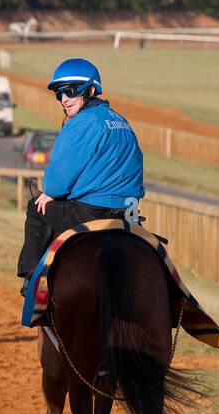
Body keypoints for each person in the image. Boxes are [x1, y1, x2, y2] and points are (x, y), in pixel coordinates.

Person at [15, 58, 145, 293]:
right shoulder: (122, 122)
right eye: (59, 93)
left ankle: (31, 279)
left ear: (91, 90)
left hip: (92, 212)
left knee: (36, 207)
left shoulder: (81, 122)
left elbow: (56, 183)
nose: (64, 98)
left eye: (71, 91)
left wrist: (51, 193)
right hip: (130, 212)